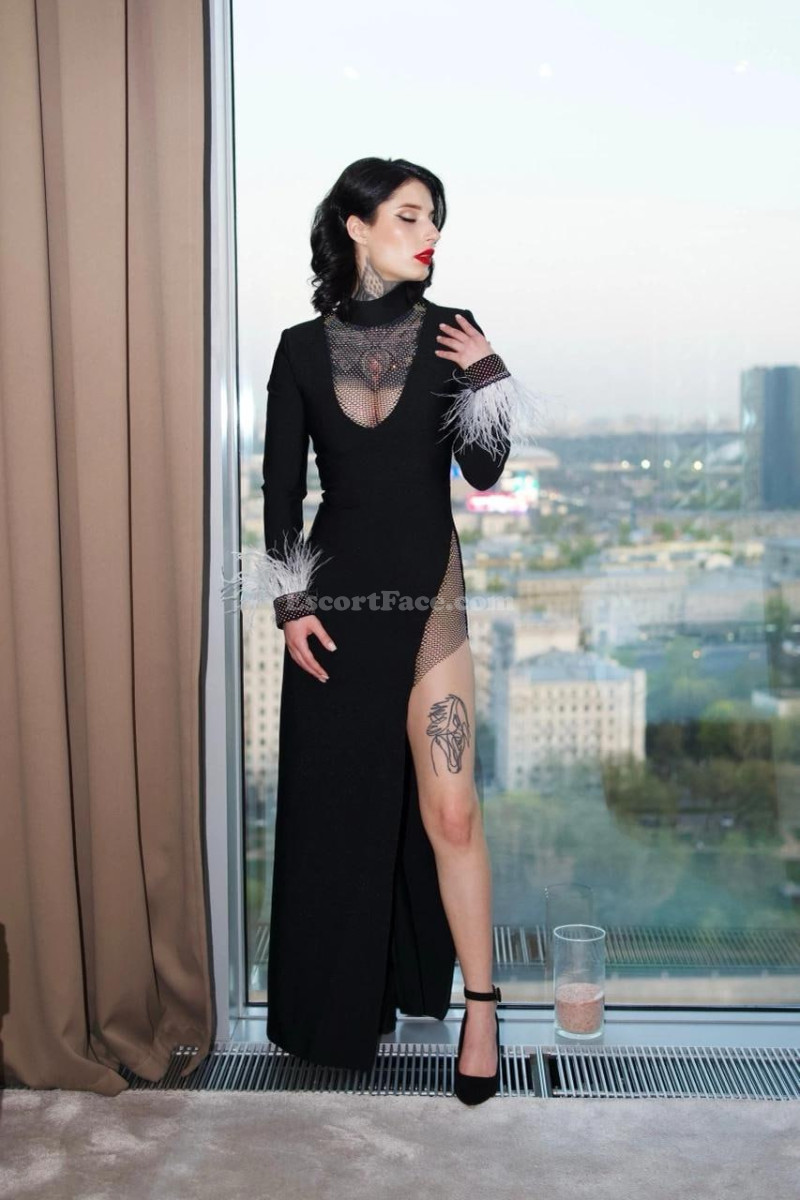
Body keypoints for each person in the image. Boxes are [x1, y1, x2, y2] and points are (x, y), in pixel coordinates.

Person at [223, 157, 540, 1105]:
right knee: (336, 814)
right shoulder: (296, 349)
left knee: (453, 813)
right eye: (409, 215)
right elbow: (281, 491)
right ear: (356, 225)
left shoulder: (452, 331)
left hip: (429, 600)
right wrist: (291, 604)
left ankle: (481, 1008)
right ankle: (335, 1010)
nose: (429, 231)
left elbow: (483, 471)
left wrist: (487, 372)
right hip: (335, 612)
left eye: (435, 217)